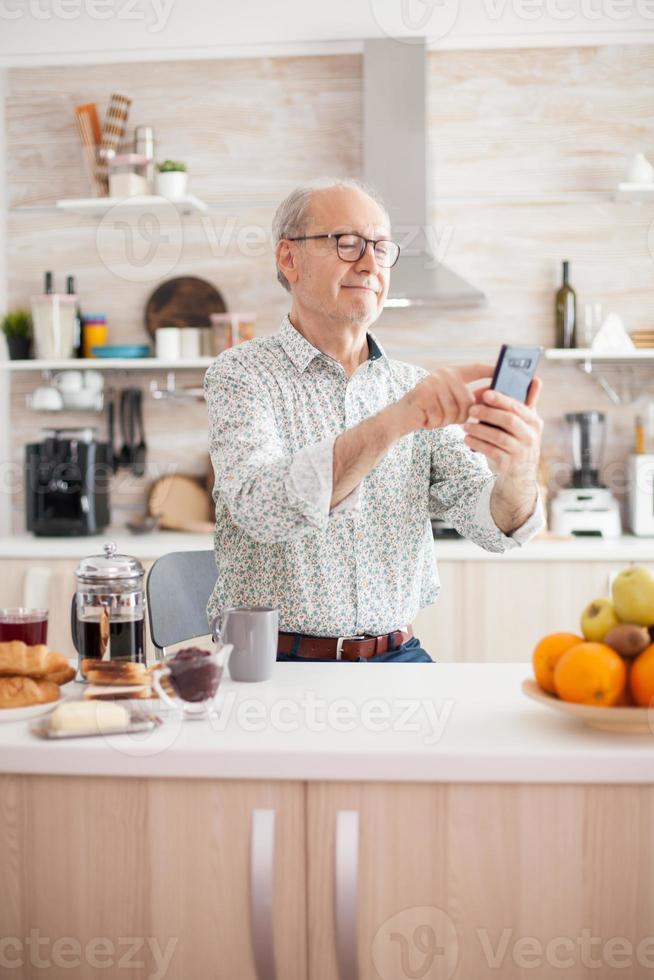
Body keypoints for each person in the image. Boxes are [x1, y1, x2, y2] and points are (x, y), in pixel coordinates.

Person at [205, 177, 545, 663]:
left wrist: (518, 469)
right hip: (273, 662)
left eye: (382, 248)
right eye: (346, 243)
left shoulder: (414, 387)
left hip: (398, 656)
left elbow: (490, 526)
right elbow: (261, 510)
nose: (369, 264)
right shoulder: (241, 374)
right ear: (289, 258)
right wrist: (396, 420)